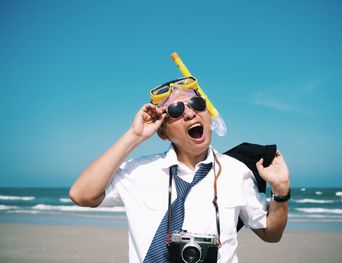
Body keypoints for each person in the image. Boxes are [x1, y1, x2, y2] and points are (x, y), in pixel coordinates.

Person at [69, 76, 290, 263]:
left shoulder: (236, 172)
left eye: (197, 103)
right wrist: (134, 136)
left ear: (209, 116)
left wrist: (280, 192)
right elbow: (81, 194)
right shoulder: (138, 172)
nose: (190, 113)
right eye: (176, 110)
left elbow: (271, 233)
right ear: (163, 131)